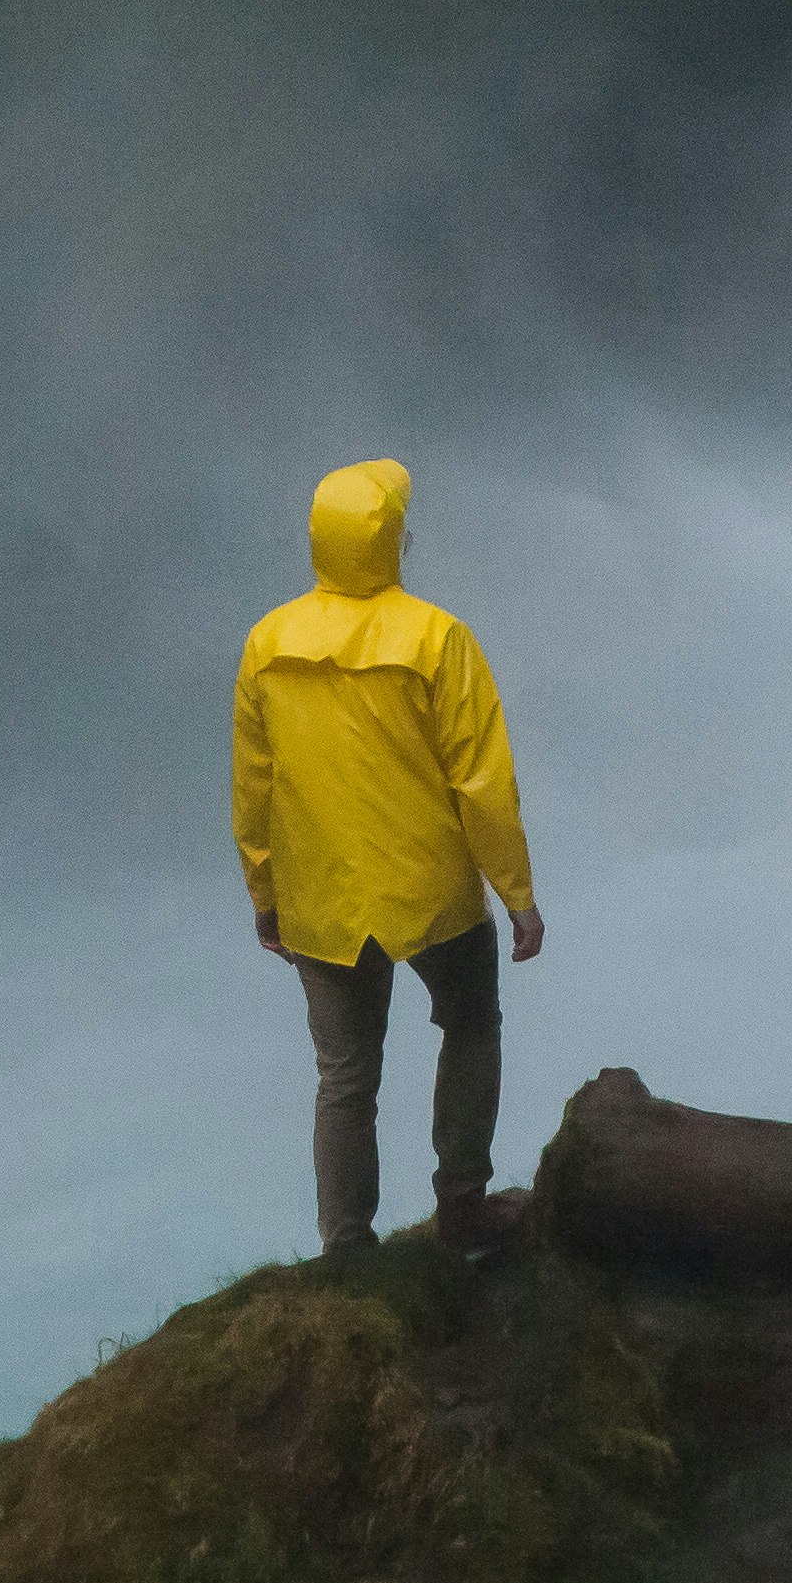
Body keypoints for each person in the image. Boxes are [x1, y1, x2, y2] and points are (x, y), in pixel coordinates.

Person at [232, 458, 542, 1252]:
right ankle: (463, 1202)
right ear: (396, 539)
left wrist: (265, 893)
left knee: (344, 1080)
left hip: (319, 892)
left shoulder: (268, 643)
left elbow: (254, 786)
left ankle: (345, 1248)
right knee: (471, 1023)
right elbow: (481, 780)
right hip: (428, 886)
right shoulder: (437, 637)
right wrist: (515, 892)